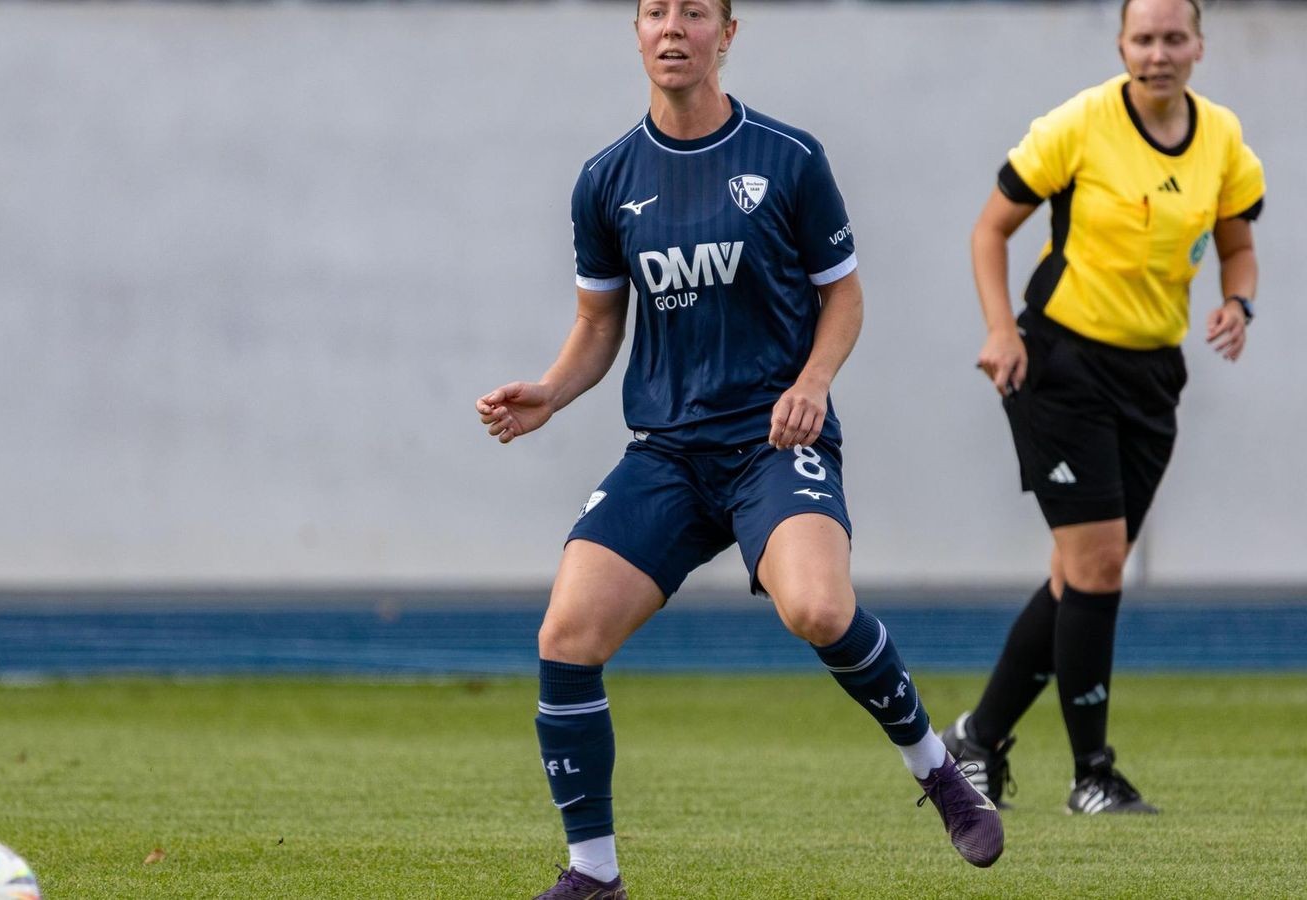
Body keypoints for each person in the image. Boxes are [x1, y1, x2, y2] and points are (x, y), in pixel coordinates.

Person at [477, 0, 1002, 894]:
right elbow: (598, 324)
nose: (671, 27)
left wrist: (812, 384)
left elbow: (845, 298)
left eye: (693, 12)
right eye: (654, 12)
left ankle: (938, 773)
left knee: (818, 611)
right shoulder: (605, 179)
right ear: (637, 32)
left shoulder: (788, 158)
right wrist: (552, 394)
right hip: (669, 453)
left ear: (728, 32)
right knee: (565, 635)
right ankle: (594, 874)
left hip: (772, 438)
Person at [948, 0, 1264, 816]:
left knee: (1075, 578)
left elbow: (1237, 242)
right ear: (1121, 44)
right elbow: (990, 231)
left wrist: (1239, 302)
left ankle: (976, 742)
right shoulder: (1078, 125)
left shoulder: (1221, 137)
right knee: (1098, 567)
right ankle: (1093, 774)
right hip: (1060, 362)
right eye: (1143, 38)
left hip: (1154, 374)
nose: (1158, 53)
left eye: (1173, 37)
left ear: (1199, 44)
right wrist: (999, 331)